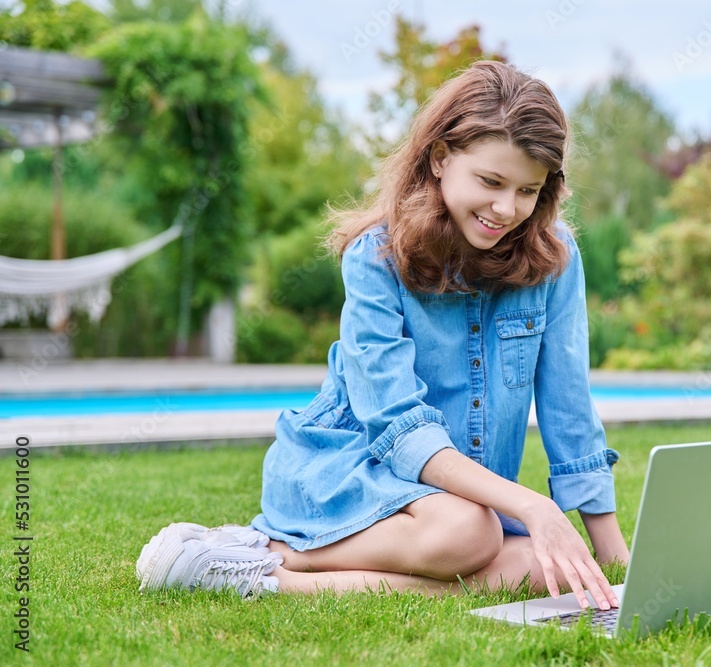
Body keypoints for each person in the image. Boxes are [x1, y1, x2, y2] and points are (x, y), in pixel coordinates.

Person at [136, 60, 630, 610]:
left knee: (546, 569)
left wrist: (616, 564)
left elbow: (570, 406)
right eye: (490, 182)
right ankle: (278, 549)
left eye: (527, 191)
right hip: (345, 474)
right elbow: (400, 430)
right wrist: (533, 506)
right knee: (472, 533)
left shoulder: (554, 257)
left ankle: (261, 574)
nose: (505, 209)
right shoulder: (376, 257)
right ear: (441, 158)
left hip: (457, 503)